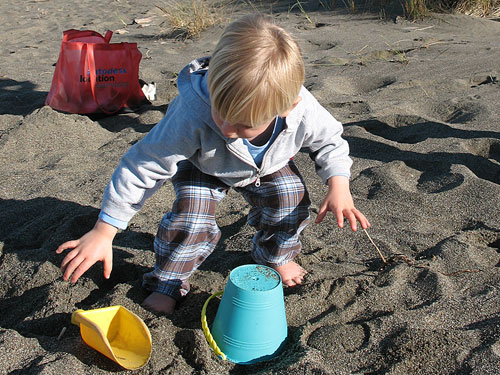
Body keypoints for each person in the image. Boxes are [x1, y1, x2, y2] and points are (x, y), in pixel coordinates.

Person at [56, 14, 370, 314]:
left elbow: (330, 140)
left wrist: (339, 185)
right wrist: (105, 230)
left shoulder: (302, 109)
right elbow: (144, 164)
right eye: (220, 114)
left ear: (287, 107)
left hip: (267, 164)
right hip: (204, 165)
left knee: (290, 200)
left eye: (244, 125)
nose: (228, 131)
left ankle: (276, 256)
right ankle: (167, 281)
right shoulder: (192, 112)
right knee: (190, 217)